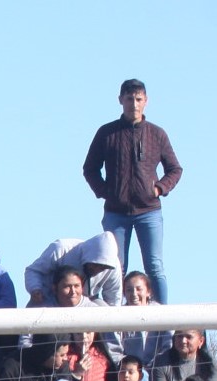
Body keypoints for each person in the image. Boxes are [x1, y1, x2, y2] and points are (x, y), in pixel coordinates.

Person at [83, 79, 181, 303]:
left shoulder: (157, 134)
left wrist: (159, 188)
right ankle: (115, 317)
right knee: (116, 267)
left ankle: (163, 315)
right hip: (116, 212)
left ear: (146, 101)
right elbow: (90, 168)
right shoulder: (107, 133)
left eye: (138, 99)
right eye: (129, 99)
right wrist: (105, 191)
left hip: (149, 211)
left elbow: (175, 169)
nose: (134, 104)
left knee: (154, 266)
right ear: (120, 100)